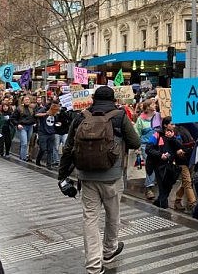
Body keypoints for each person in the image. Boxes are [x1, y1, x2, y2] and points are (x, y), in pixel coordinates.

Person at [57, 86, 140, 274]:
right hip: (112, 177)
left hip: (86, 177)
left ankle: (94, 265)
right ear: (113, 99)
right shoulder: (119, 116)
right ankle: (109, 250)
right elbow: (135, 142)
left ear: (93, 98)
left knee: (90, 219)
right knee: (113, 215)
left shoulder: (81, 117)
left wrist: (62, 176)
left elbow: (68, 148)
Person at [145, 118, 183, 209]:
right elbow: (148, 149)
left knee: (168, 186)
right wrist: (160, 155)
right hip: (159, 166)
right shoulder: (157, 135)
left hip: (171, 166)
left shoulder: (176, 135)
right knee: (162, 187)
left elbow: (180, 146)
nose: (174, 126)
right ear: (165, 125)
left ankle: (159, 202)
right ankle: (163, 209)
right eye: (172, 124)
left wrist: (172, 138)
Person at [134, 99, 160, 200]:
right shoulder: (141, 119)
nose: (155, 105)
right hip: (146, 146)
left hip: (158, 145)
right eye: (153, 104)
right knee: (150, 165)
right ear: (147, 107)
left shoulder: (158, 116)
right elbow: (137, 133)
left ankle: (155, 182)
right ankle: (149, 188)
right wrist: (137, 147)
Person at [173, 122, 197, 212]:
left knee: (185, 182)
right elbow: (176, 146)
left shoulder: (191, 127)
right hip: (182, 161)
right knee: (187, 181)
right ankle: (193, 203)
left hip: (190, 159)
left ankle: (177, 201)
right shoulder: (176, 130)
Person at [35, 101, 59, 168]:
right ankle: (38, 160)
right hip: (43, 133)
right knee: (43, 148)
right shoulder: (44, 109)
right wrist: (46, 114)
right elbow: (36, 114)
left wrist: (58, 123)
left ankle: (49, 165)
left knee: (50, 149)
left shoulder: (56, 113)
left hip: (51, 133)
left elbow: (55, 121)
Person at [12, 95, 36, 161]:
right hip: (22, 127)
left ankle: (21, 155)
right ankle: (23, 158)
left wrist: (35, 122)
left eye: (28, 100)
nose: (27, 101)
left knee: (26, 142)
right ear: (23, 101)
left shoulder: (31, 108)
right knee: (24, 143)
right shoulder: (19, 108)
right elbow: (13, 118)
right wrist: (17, 124)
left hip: (30, 126)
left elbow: (34, 117)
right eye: (26, 100)